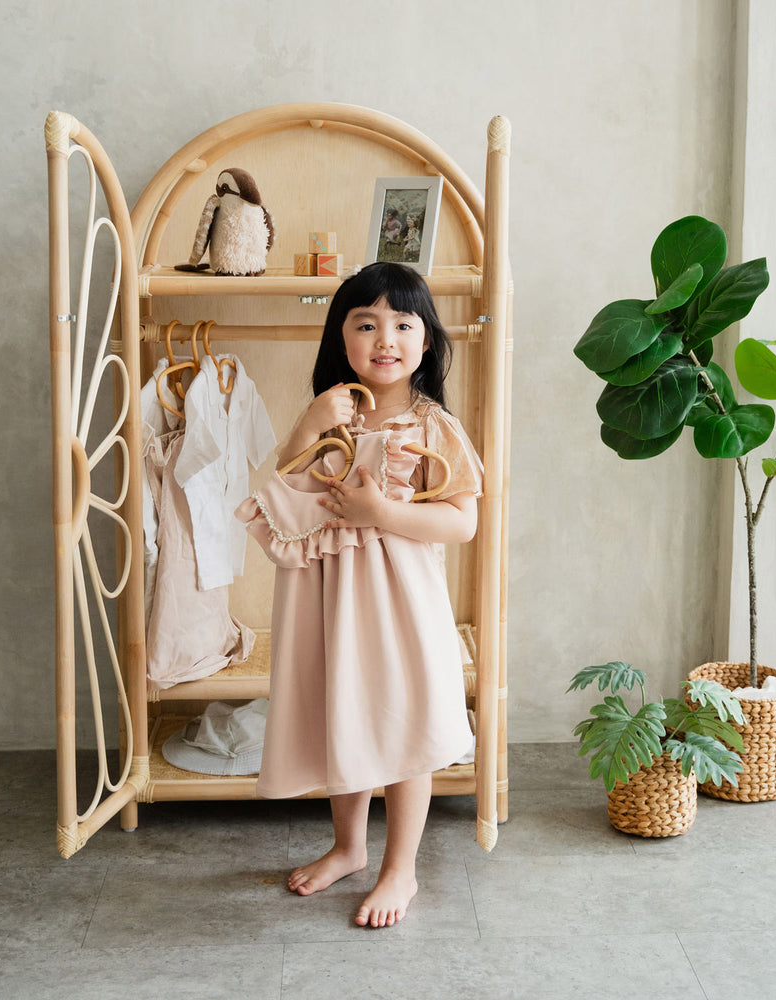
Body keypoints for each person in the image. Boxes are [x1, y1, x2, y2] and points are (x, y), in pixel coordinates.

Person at [237, 262, 482, 928]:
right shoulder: (333, 412)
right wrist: (311, 421)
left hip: (402, 603)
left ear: (426, 342)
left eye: (404, 324)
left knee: (404, 720)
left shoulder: (435, 428)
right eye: (366, 323)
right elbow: (286, 485)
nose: (386, 338)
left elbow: (463, 521)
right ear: (340, 336)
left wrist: (383, 512)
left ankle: (400, 868)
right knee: (343, 710)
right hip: (332, 597)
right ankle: (348, 845)